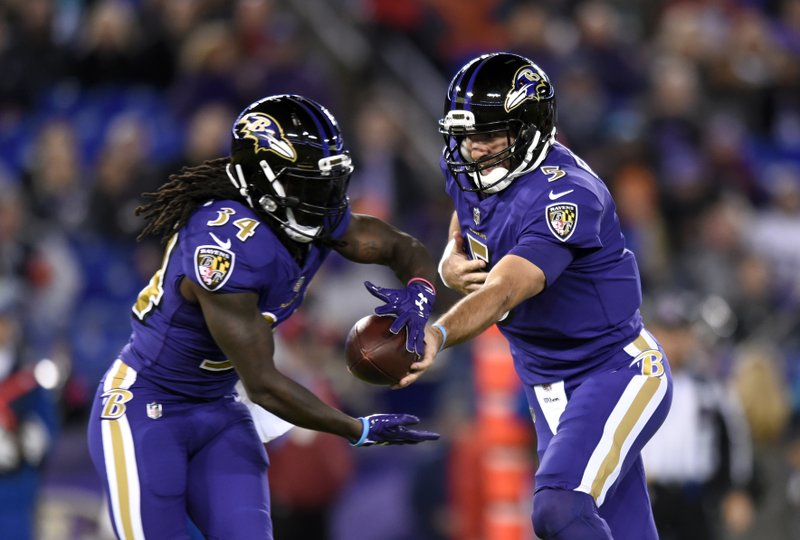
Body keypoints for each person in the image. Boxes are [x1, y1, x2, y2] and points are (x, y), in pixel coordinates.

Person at [86, 94, 440, 540]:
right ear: (264, 180)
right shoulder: (225, 246)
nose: (327, 197)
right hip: (147, 406)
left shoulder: (304, 216)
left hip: (219, 406)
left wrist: (420, 295)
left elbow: (399, 247)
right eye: (310, 182)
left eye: (329, 180)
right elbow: (264, 384)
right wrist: (358, 428)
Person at [406, 52, 674, 539]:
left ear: (528, 130)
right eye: (466, 136)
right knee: (624, 528)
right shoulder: (476, 168)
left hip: (613, 369)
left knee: (558, 507)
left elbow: (507, 287)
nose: (472, 149)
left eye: (488, 135)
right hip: (547, 384)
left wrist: (439, 332)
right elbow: (466, 210)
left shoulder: (566, 195)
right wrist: (450, 254)